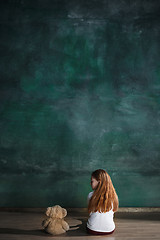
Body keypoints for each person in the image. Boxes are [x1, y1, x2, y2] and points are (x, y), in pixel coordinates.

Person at [86, 169, 119, 235]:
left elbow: (90, 212)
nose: (90, 183)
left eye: (92, 181)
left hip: (92, 230)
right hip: (109, 230)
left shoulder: (91, 195)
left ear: (99, 182)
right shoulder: (114, 196)